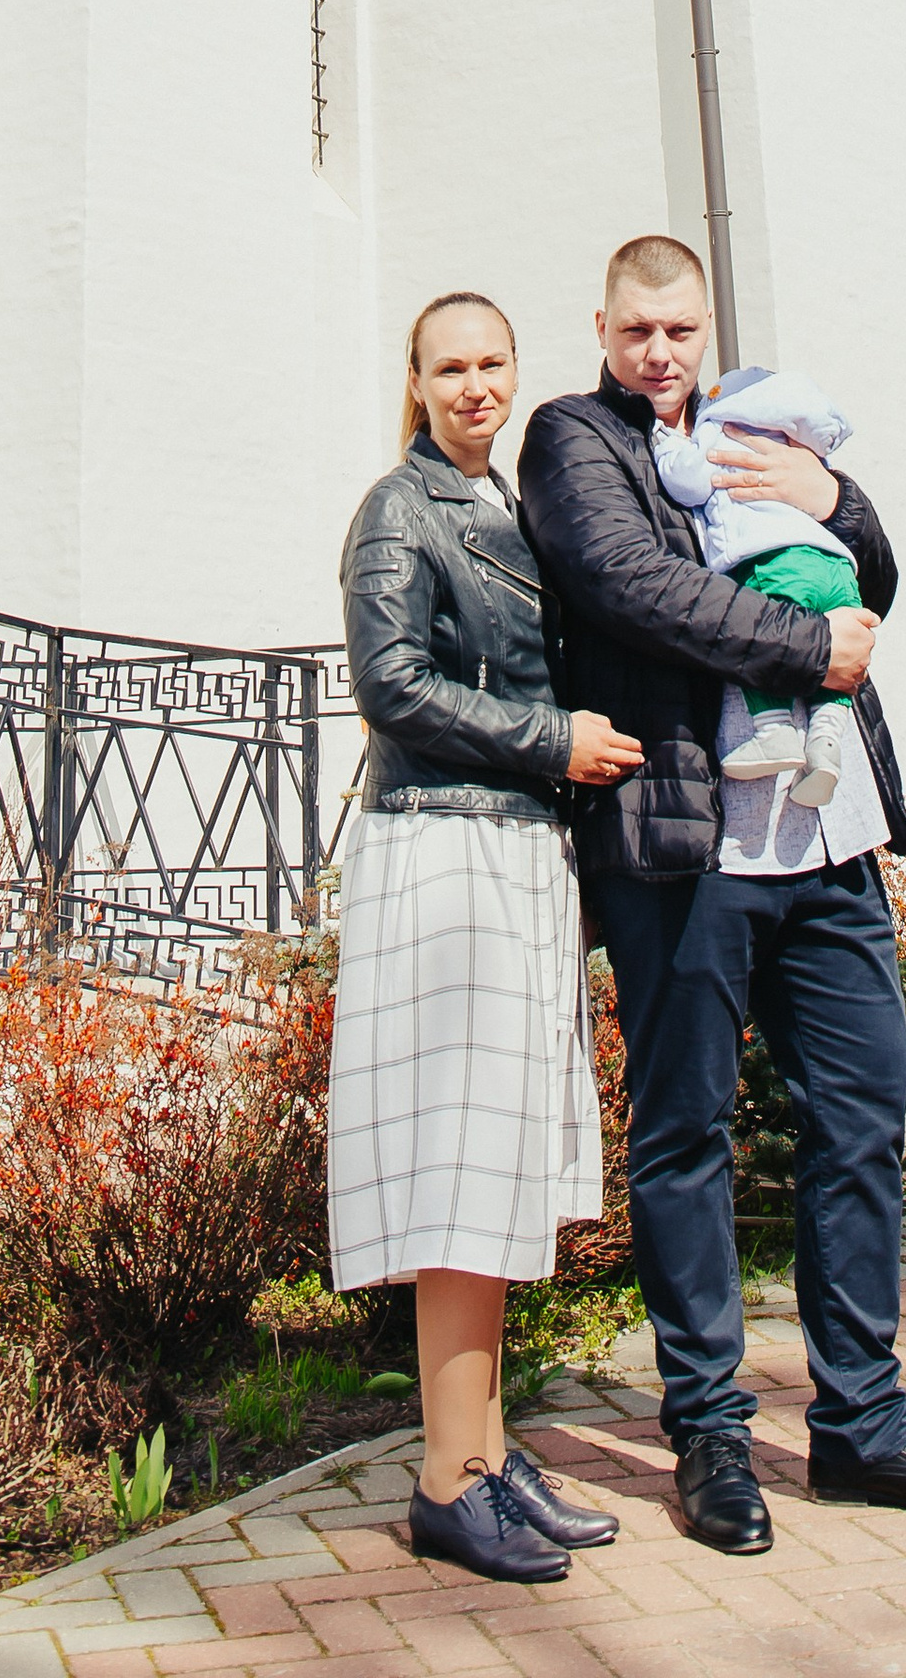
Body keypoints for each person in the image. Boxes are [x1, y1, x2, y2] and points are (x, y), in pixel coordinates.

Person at [520, 234, 906, 1553]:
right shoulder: (577, 440)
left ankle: (863, 1426)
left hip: (832, 841)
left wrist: (836, 494)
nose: (662, 353)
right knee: (685, 1137)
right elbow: (632, 591)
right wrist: (812, 645)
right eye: (639, 331)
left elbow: (875, 583)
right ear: (604, 327)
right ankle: (710, 1438)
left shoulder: (758, 430)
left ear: (706, 326)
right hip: (687, 850)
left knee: (863, 1115)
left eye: (681, 330)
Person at [328, 293, 645, 1585]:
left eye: (492, 363)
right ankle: (447, 1481)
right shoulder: (399, 512)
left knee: (502, 1160)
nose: (474, 385)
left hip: (512, 849)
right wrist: (553, 740)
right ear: (413, 378)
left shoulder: (501, 506)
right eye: (449, 367)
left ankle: (491, 1450)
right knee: (461, 1160)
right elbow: (390, 684)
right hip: (444, 847)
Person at [650, 365, 864, 801]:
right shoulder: (797, 444)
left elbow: (689, 482)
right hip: (839, 568)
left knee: (756, 628)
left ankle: (774, 732)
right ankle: (825, 745)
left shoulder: (724, 427)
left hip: (778, 562)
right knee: (838, 667)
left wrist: (665, 446)